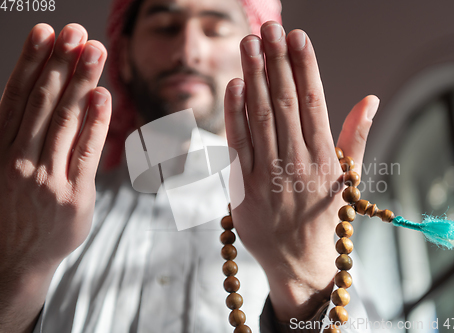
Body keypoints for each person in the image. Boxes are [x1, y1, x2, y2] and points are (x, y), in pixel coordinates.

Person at [0, 0, 380, 332]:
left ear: (256, 62)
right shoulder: (46, 214)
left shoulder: (321, 233)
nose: (188, 50)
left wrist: (305, 275)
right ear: (126, 56)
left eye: (216, 29)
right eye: (165, 27)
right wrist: (14, 266)